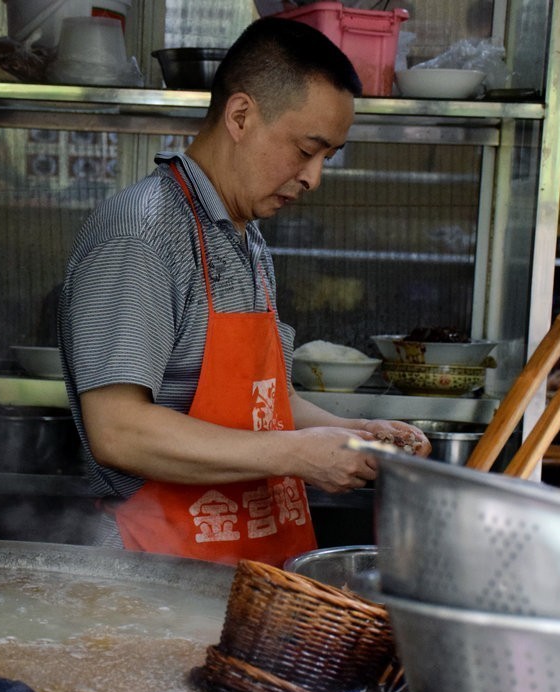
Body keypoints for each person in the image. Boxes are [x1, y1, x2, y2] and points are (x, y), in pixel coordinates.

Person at [58, 16, 431, 567]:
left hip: (238, 557)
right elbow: (119, 430)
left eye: (329, 156)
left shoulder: (244, 237)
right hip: (150, 569)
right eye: (307, 149)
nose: (313, 178)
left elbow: (264, 404)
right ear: (240, 116)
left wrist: (352, 435)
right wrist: (298, 454)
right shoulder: (140, 235)